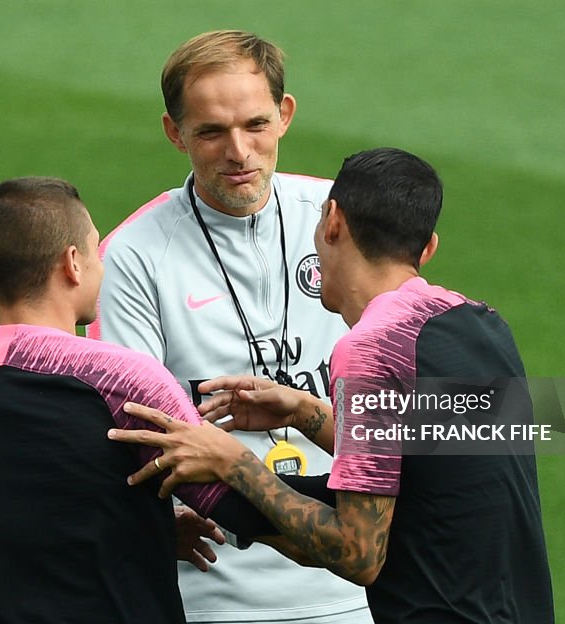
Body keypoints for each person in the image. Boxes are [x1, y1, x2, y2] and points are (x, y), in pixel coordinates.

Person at [109, 148, 556, 623]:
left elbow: (359, 553)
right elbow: (428, 462)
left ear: (332, 222)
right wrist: (307, 412)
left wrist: (235, 462)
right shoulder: (482, 323)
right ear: (428, 248)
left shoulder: (373, 347)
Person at [0, 177, 287, 624]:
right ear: (72, 264)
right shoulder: (121, 380)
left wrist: (147, 531)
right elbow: (249, 512)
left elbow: (19, 519)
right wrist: (352, 465)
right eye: (94, 250)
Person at [89, 30, 372, 624]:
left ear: (285, 115)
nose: (239, 152)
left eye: (256, 124)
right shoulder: (134, 257)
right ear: (175, 132)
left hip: (363, 587)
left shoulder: (345, 222)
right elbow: (129, 430)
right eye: (212, 132)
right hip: (216, 596)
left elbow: (415, 399)